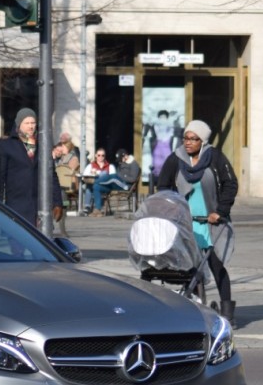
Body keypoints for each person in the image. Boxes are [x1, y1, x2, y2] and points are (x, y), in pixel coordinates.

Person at [156, 119, 239, 323]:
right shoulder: (176, 159)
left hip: (211, 222)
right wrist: (172, 208)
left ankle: (227, 311)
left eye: (194, 139)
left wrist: (220, 211)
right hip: (186, 222)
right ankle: (190, 305)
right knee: (186, 267)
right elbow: (163, 186)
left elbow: (230, 184)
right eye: (186, 138)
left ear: (203, 141)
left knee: (216, 265)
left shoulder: (215, 158)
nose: (188, 142)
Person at [0, 108, 63, 228]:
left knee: (39, 243)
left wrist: (57, 202)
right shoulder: (7, 146)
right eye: (27, 123)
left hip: (39, 205)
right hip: (16, 204)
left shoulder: (43, 146)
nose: (30, 126)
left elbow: (52, 175)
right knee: (17, 243)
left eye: (33, 123)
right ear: (19, 124)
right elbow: (0, 177)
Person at [90, 148, 140, 215]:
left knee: (113, 176)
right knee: (96, 187)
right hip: (116, 184)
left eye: (120, 159)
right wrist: (119, 175)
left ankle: (95, 181)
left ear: (125, 156)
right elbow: (119, 174)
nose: (119, 161)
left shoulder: (134, 164)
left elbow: (133, 179)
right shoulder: (122, 163)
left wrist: (121, 176)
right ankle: (97, 209)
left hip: (125, 186)